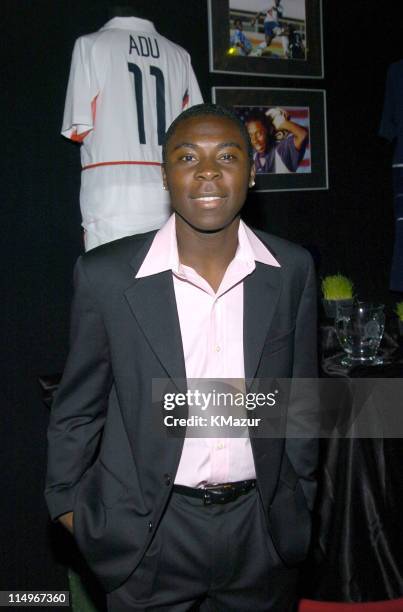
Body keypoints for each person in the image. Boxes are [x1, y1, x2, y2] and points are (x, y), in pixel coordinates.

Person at [45, 103, 318, 611]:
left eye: (228, 155)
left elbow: (300, 399)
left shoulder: (292, 270)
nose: (209, 171)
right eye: (188, 156)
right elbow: (78, 407)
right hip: (148, 536)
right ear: (166, 175)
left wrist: (300, 493)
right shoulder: (106, 277)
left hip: (262, 533)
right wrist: (69, 507)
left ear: (252, 172)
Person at [244, 108, 308, 174]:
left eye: (259, 134)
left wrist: (281, 123)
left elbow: (303, 134)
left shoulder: (282, 150)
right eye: (250, 135)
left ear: (269, 130)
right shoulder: (252, 156)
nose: (255, 140)